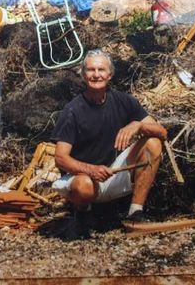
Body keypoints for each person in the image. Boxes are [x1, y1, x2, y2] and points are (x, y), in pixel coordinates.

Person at [51, 49, 167, 236]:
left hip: (113, 173)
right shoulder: (72, 110)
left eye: (101, 69)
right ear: (83, 74)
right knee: (83, 185)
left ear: (110, 74)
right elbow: (60, 158)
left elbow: (162, 132)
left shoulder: (123, 101)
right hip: (84, 179)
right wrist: (90, 170)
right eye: (90, 70)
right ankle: (83, 214)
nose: (96, 75)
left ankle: (135, 213)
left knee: (152, 143)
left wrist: (138, 126)